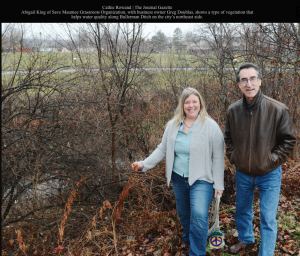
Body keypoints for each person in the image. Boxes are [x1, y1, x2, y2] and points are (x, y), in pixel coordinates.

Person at [132, 87, 225, 256]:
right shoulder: (173, 125)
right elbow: (163, 149)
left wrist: (219, 184)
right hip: (178, 179)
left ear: (200, 104)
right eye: (187, 102)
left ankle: (196, 252)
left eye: (194, 102)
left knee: (198, 214)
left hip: (202, 179)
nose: (191, 106)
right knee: (184, 214)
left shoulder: (210, 126)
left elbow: (218, 156)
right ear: (182, 105)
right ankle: (191, 239)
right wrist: (143, 164)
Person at [225, 63, 296, 255]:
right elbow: (228, 139)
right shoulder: (233, 110)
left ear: (260, 81)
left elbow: (289, 141)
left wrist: (271, 160)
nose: (249, 84)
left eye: (253, 78)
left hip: (269, 173)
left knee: (267, 217)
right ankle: (246, 238)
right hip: (243, 173)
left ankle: (266, 253)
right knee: (242, 211)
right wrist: (235, 157)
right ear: (238, 84)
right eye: (244, 80)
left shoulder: (277, 109)